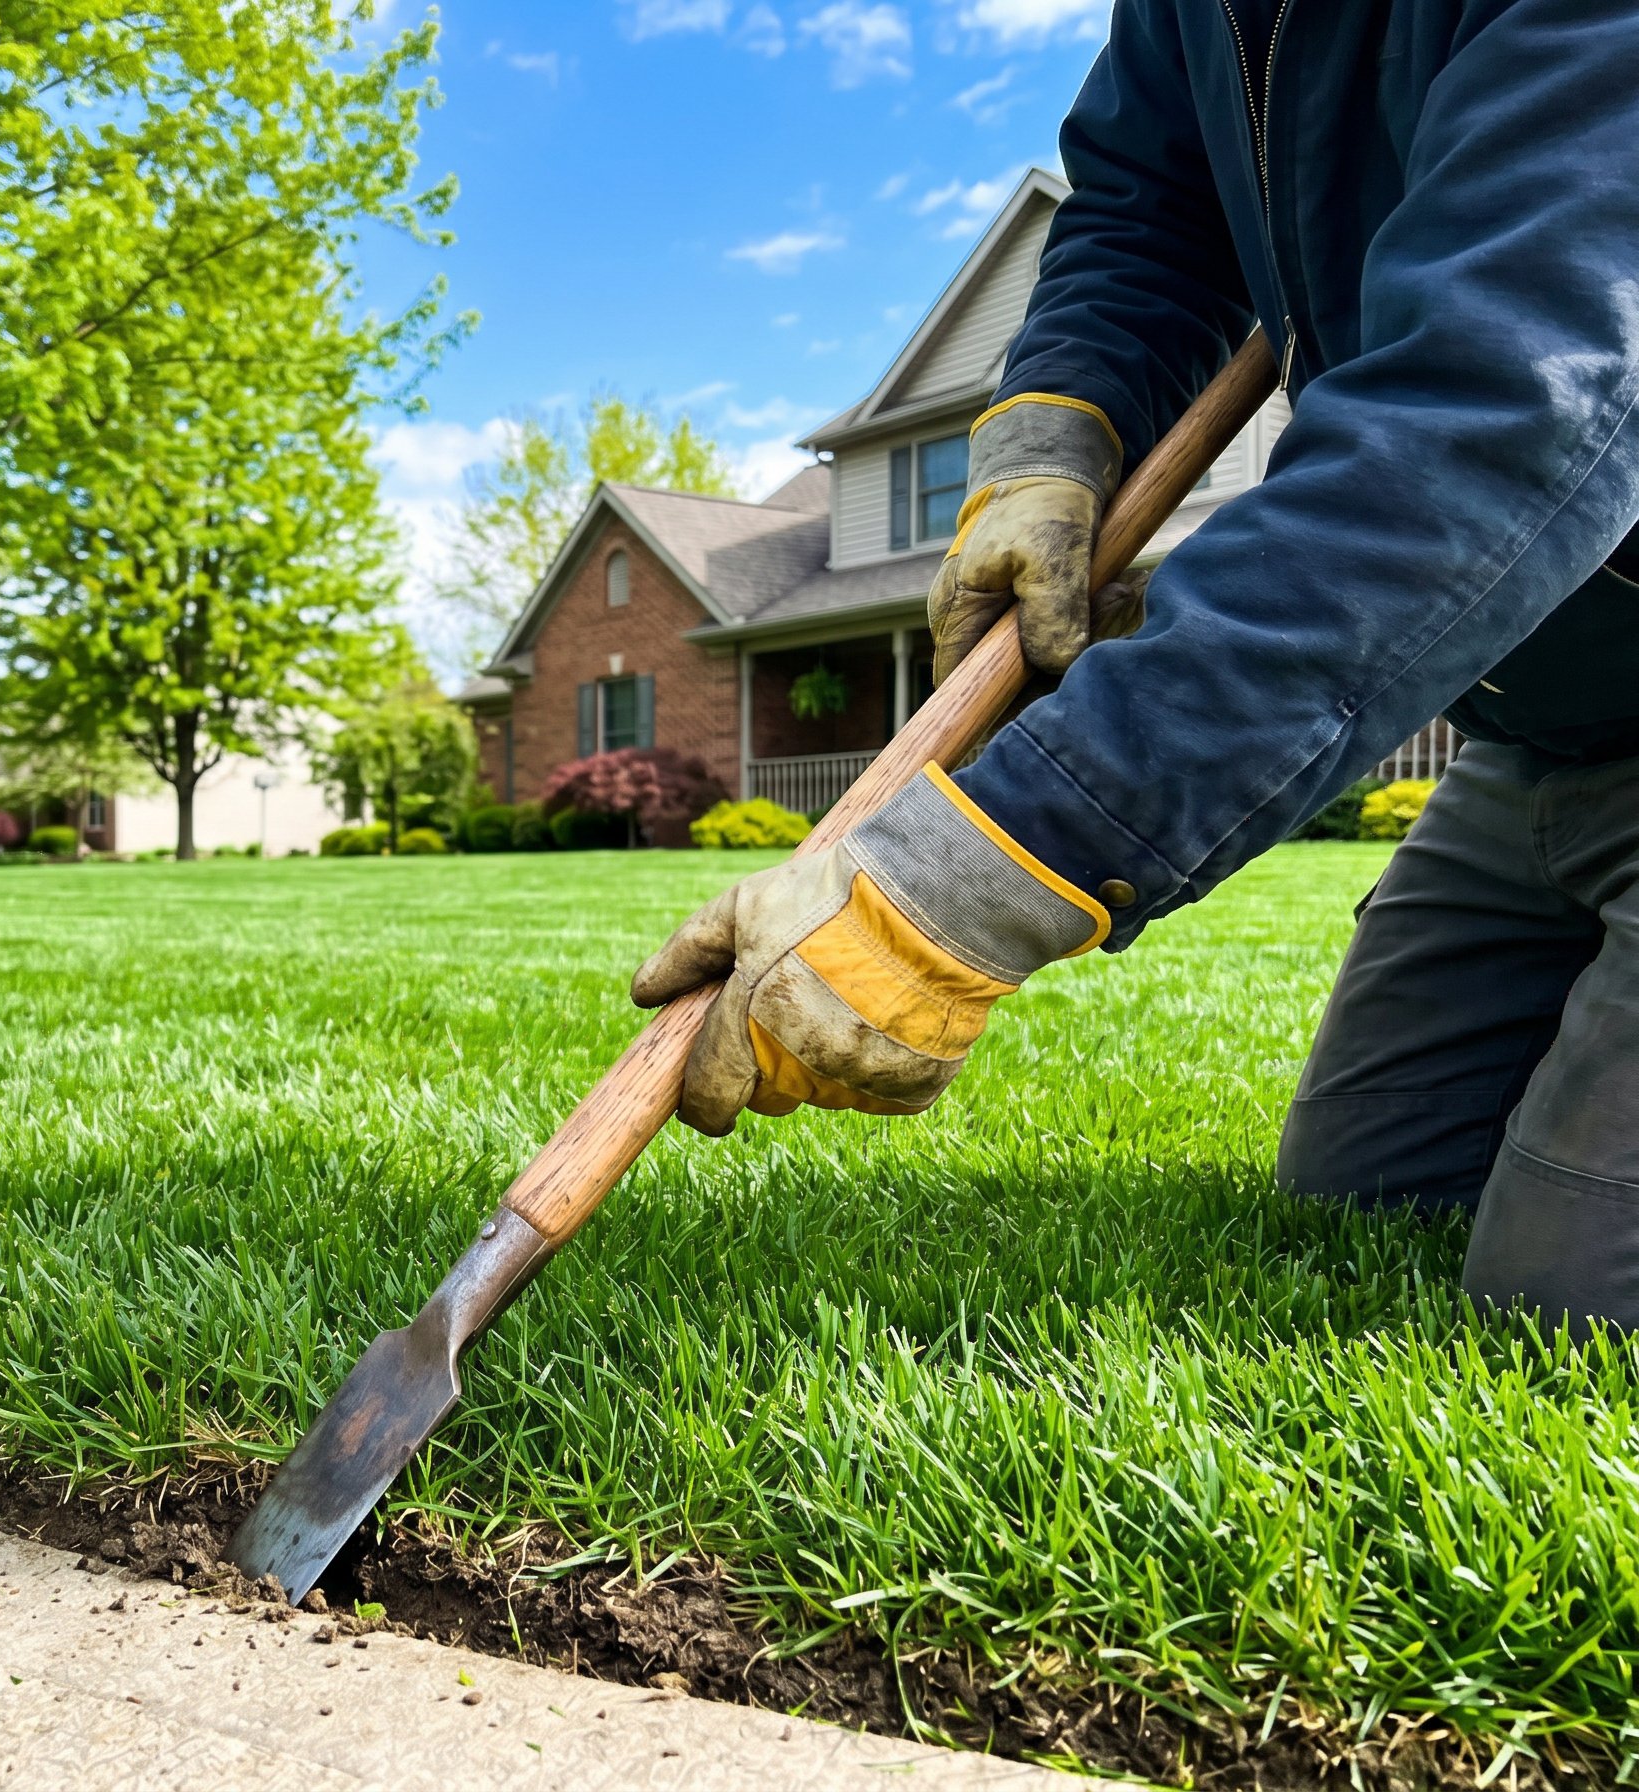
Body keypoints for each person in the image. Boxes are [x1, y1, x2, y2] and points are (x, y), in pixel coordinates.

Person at [633, 0, 1639, 1330]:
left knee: (1563, 1301)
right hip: (1547, 724)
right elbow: (1149, 216)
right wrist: (1045, 448)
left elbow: (1508, 408)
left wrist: (964, 887)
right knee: (1359, 1203)